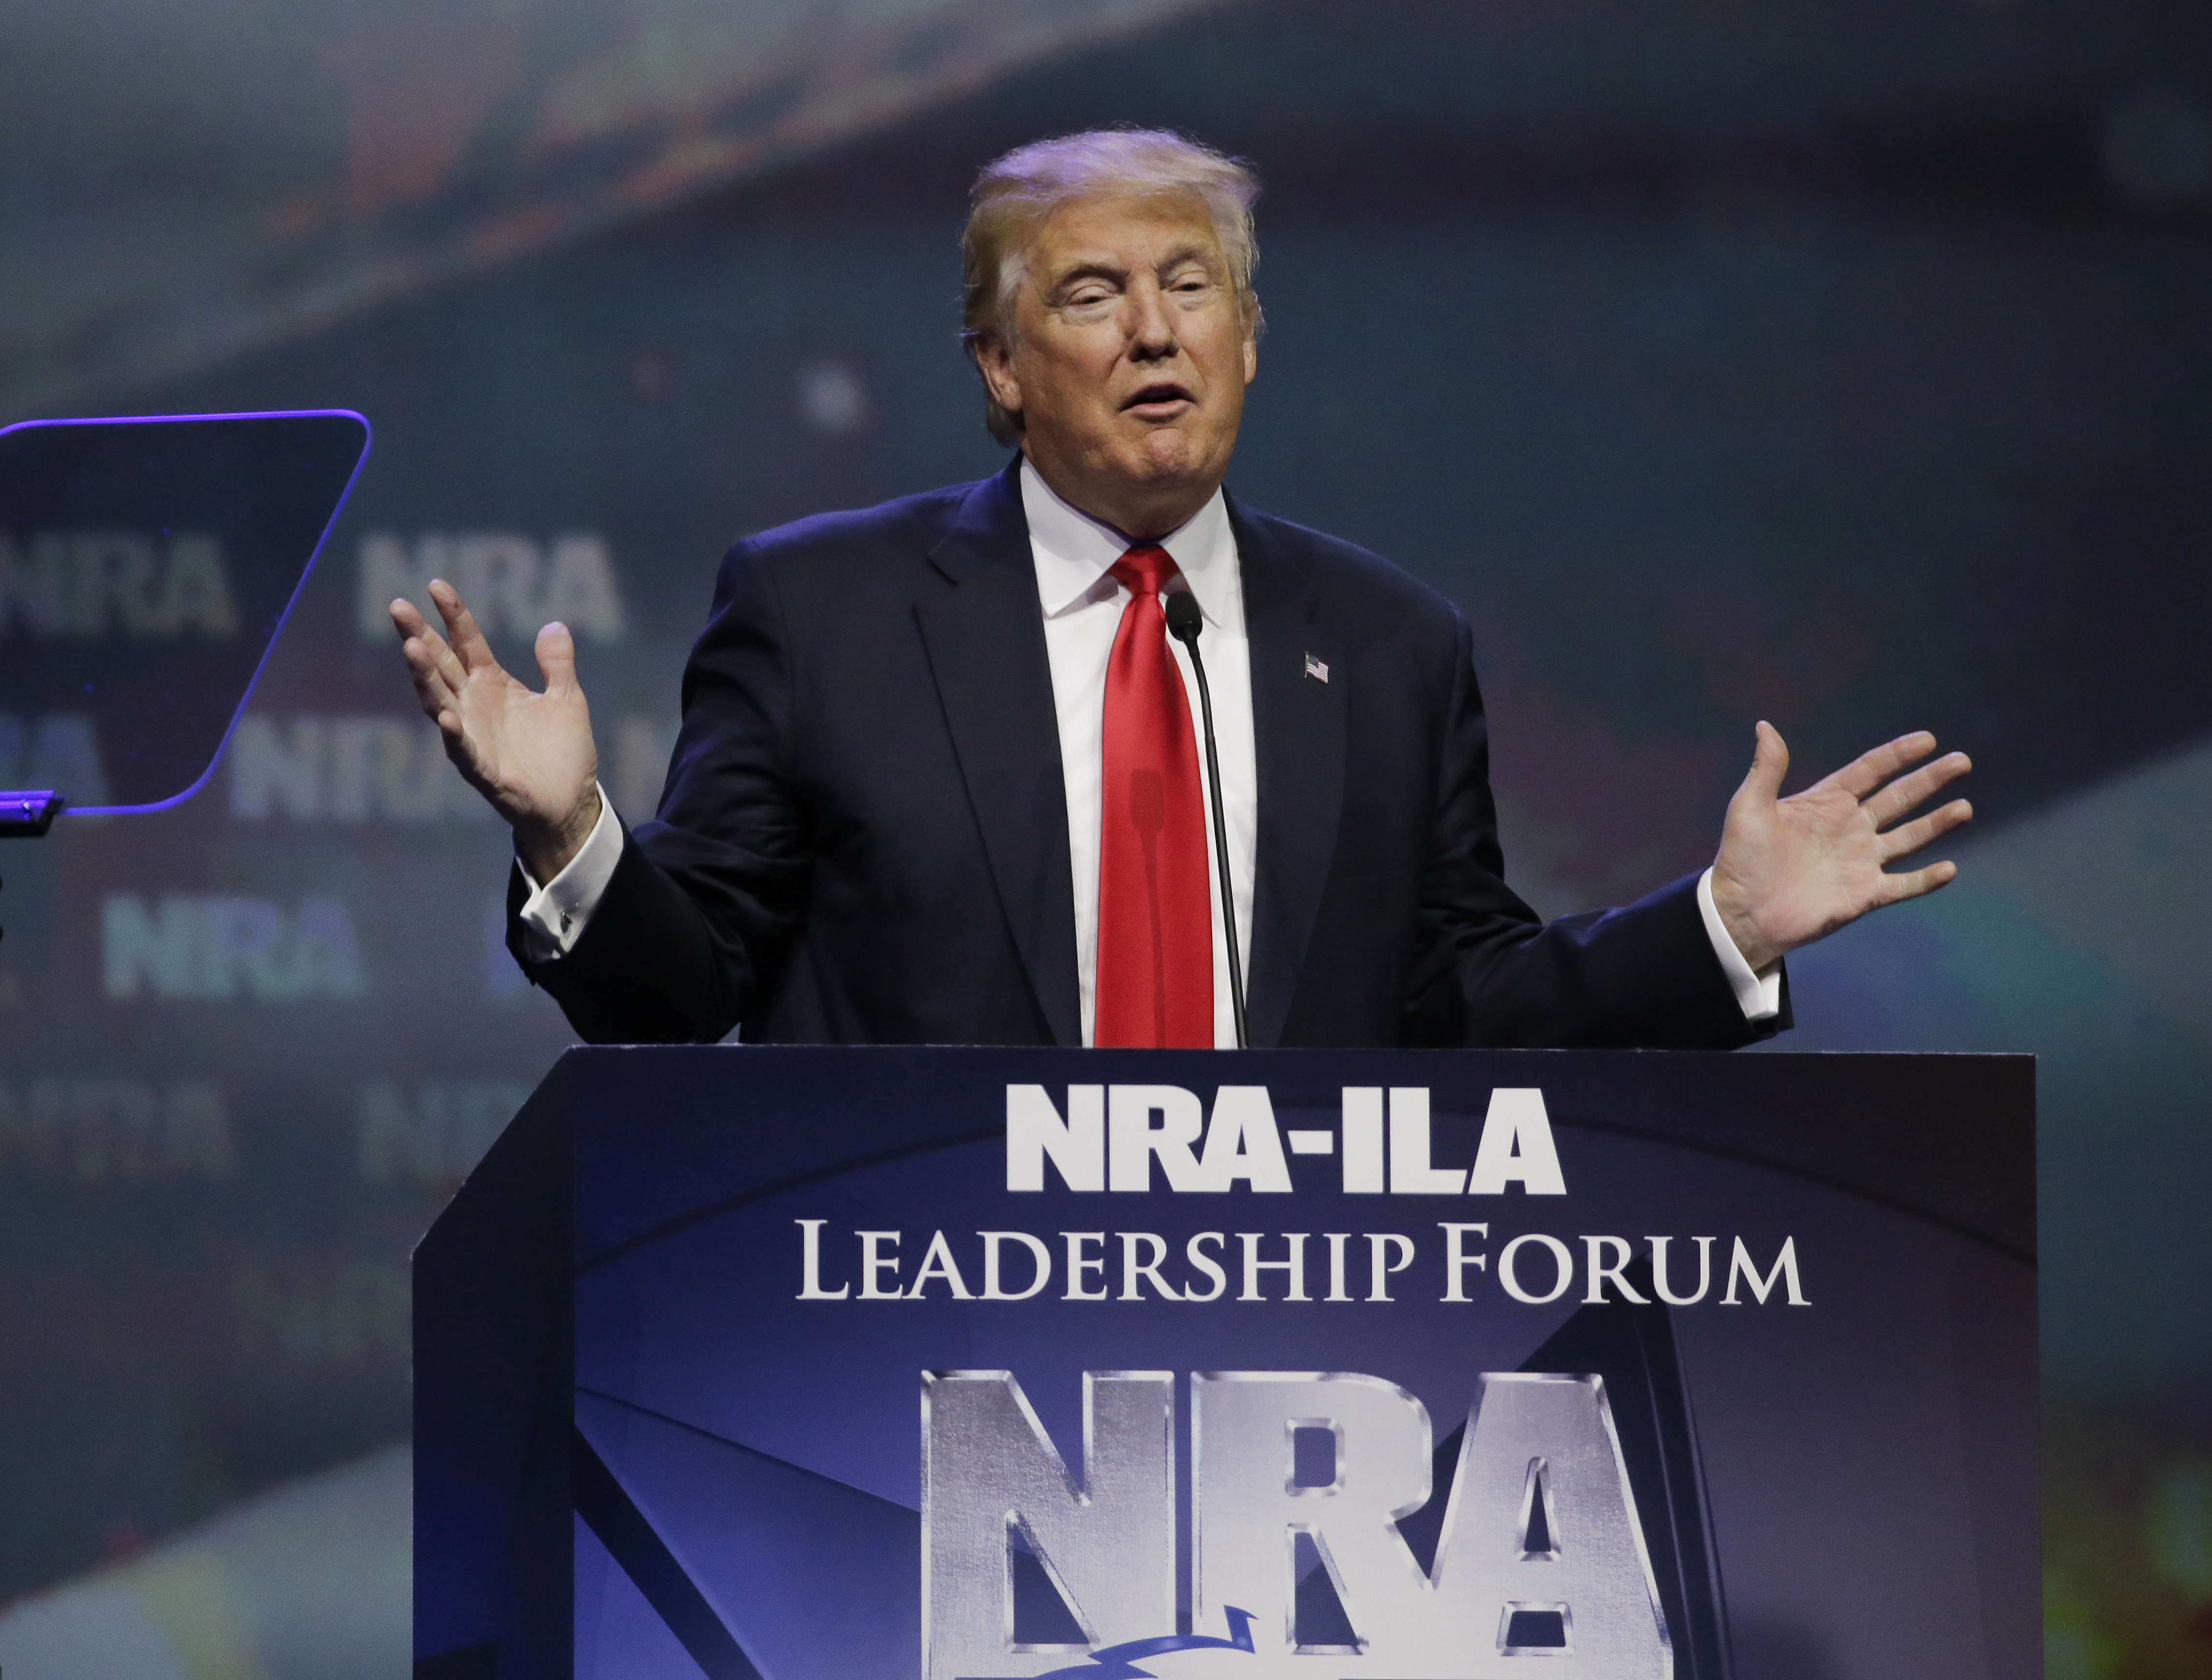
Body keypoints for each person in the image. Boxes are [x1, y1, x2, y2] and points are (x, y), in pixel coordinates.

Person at [391, 129, 1970, 1050]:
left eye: (1191, 287)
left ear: (1250, 338)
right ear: (1002, 370)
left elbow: (1466, 1009)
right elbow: (683, 991)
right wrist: (568, 836)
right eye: (1093, 295)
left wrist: (1722, 930)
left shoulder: (1389, 641)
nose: (1155, 333)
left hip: (1290, 1363)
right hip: (901, 1357)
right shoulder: (826, 614)